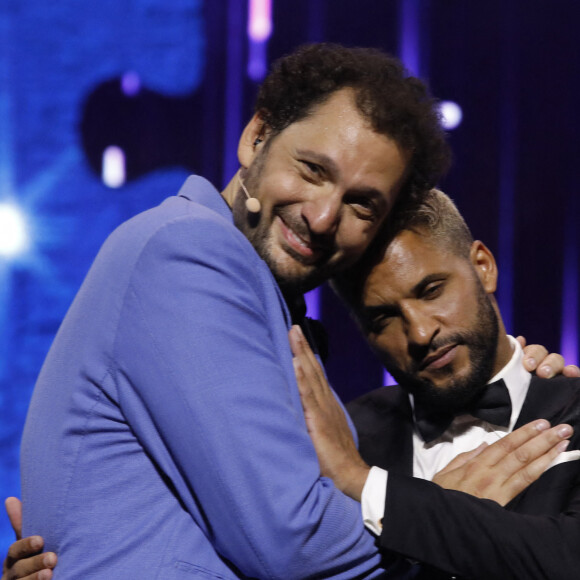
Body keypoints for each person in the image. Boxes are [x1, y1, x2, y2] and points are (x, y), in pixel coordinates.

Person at [3, 44, 573, 580]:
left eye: (361, 203)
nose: (324, 216)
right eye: (312, 170)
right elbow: (291, 540)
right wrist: (442, 513)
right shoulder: (192, 250)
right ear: (256, 137)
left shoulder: (264, 304)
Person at [292, 188, 580, 579]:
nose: (420, 332)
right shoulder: (342, 439)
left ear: (483, 266)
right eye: (384, 318)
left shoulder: (348, 466)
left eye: (431, 291)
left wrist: (366, 485)